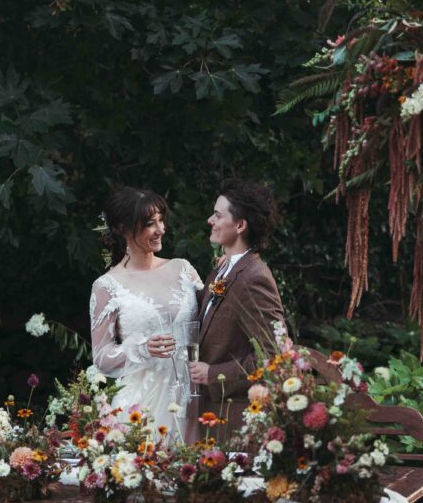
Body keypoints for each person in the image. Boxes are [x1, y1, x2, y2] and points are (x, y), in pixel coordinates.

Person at [90, 186, 204, 443]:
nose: (161, 229)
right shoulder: (107, 286)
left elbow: (214, 318)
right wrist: (141, 348)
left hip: (194, 395)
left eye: (161, 220)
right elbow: (101, 358)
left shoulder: (183, 269)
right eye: (150, 224)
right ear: (122, 228)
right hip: (143, 404)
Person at [186, 178, 286, 445]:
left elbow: (273, 357)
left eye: (218, 215)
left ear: (240, 225)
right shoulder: (224, 269)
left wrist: (213, 374)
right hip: (212, 416)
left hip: (235, 422)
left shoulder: (254, 278)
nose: (210, 220)